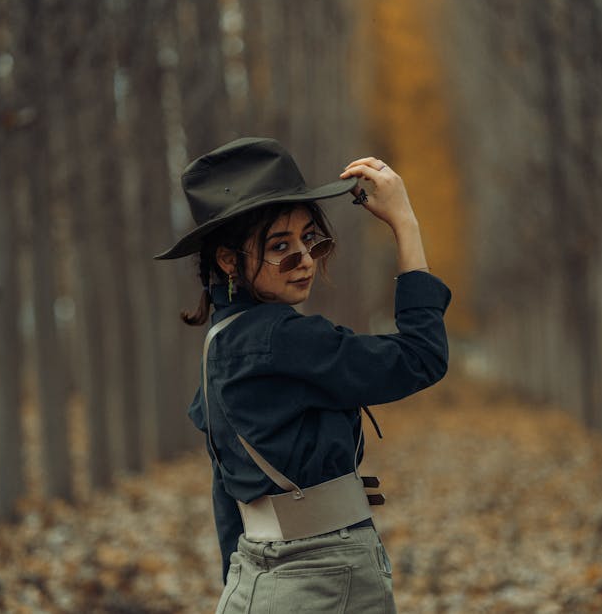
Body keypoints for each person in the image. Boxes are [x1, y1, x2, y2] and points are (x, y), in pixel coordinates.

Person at [154, 137, 451, 613]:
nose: (306, 260)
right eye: (280, 248)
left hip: (253, 577)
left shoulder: (222, 343)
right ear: (229, 260)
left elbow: (227, 493)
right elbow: (422, 356)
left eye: (310, 239)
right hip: (323, 576)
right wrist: (405, 222)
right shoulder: (281, 338)